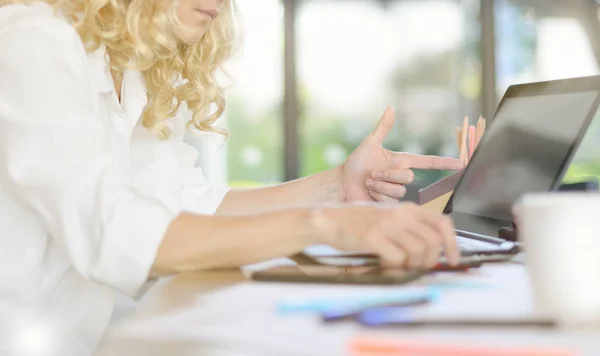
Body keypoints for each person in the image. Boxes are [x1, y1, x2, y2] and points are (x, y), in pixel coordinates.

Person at [0, 0, 463, 355]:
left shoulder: (129, 71)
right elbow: (111, 230)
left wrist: (338, 183)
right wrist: (322, 223)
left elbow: (189, 203)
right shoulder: (32, 39)